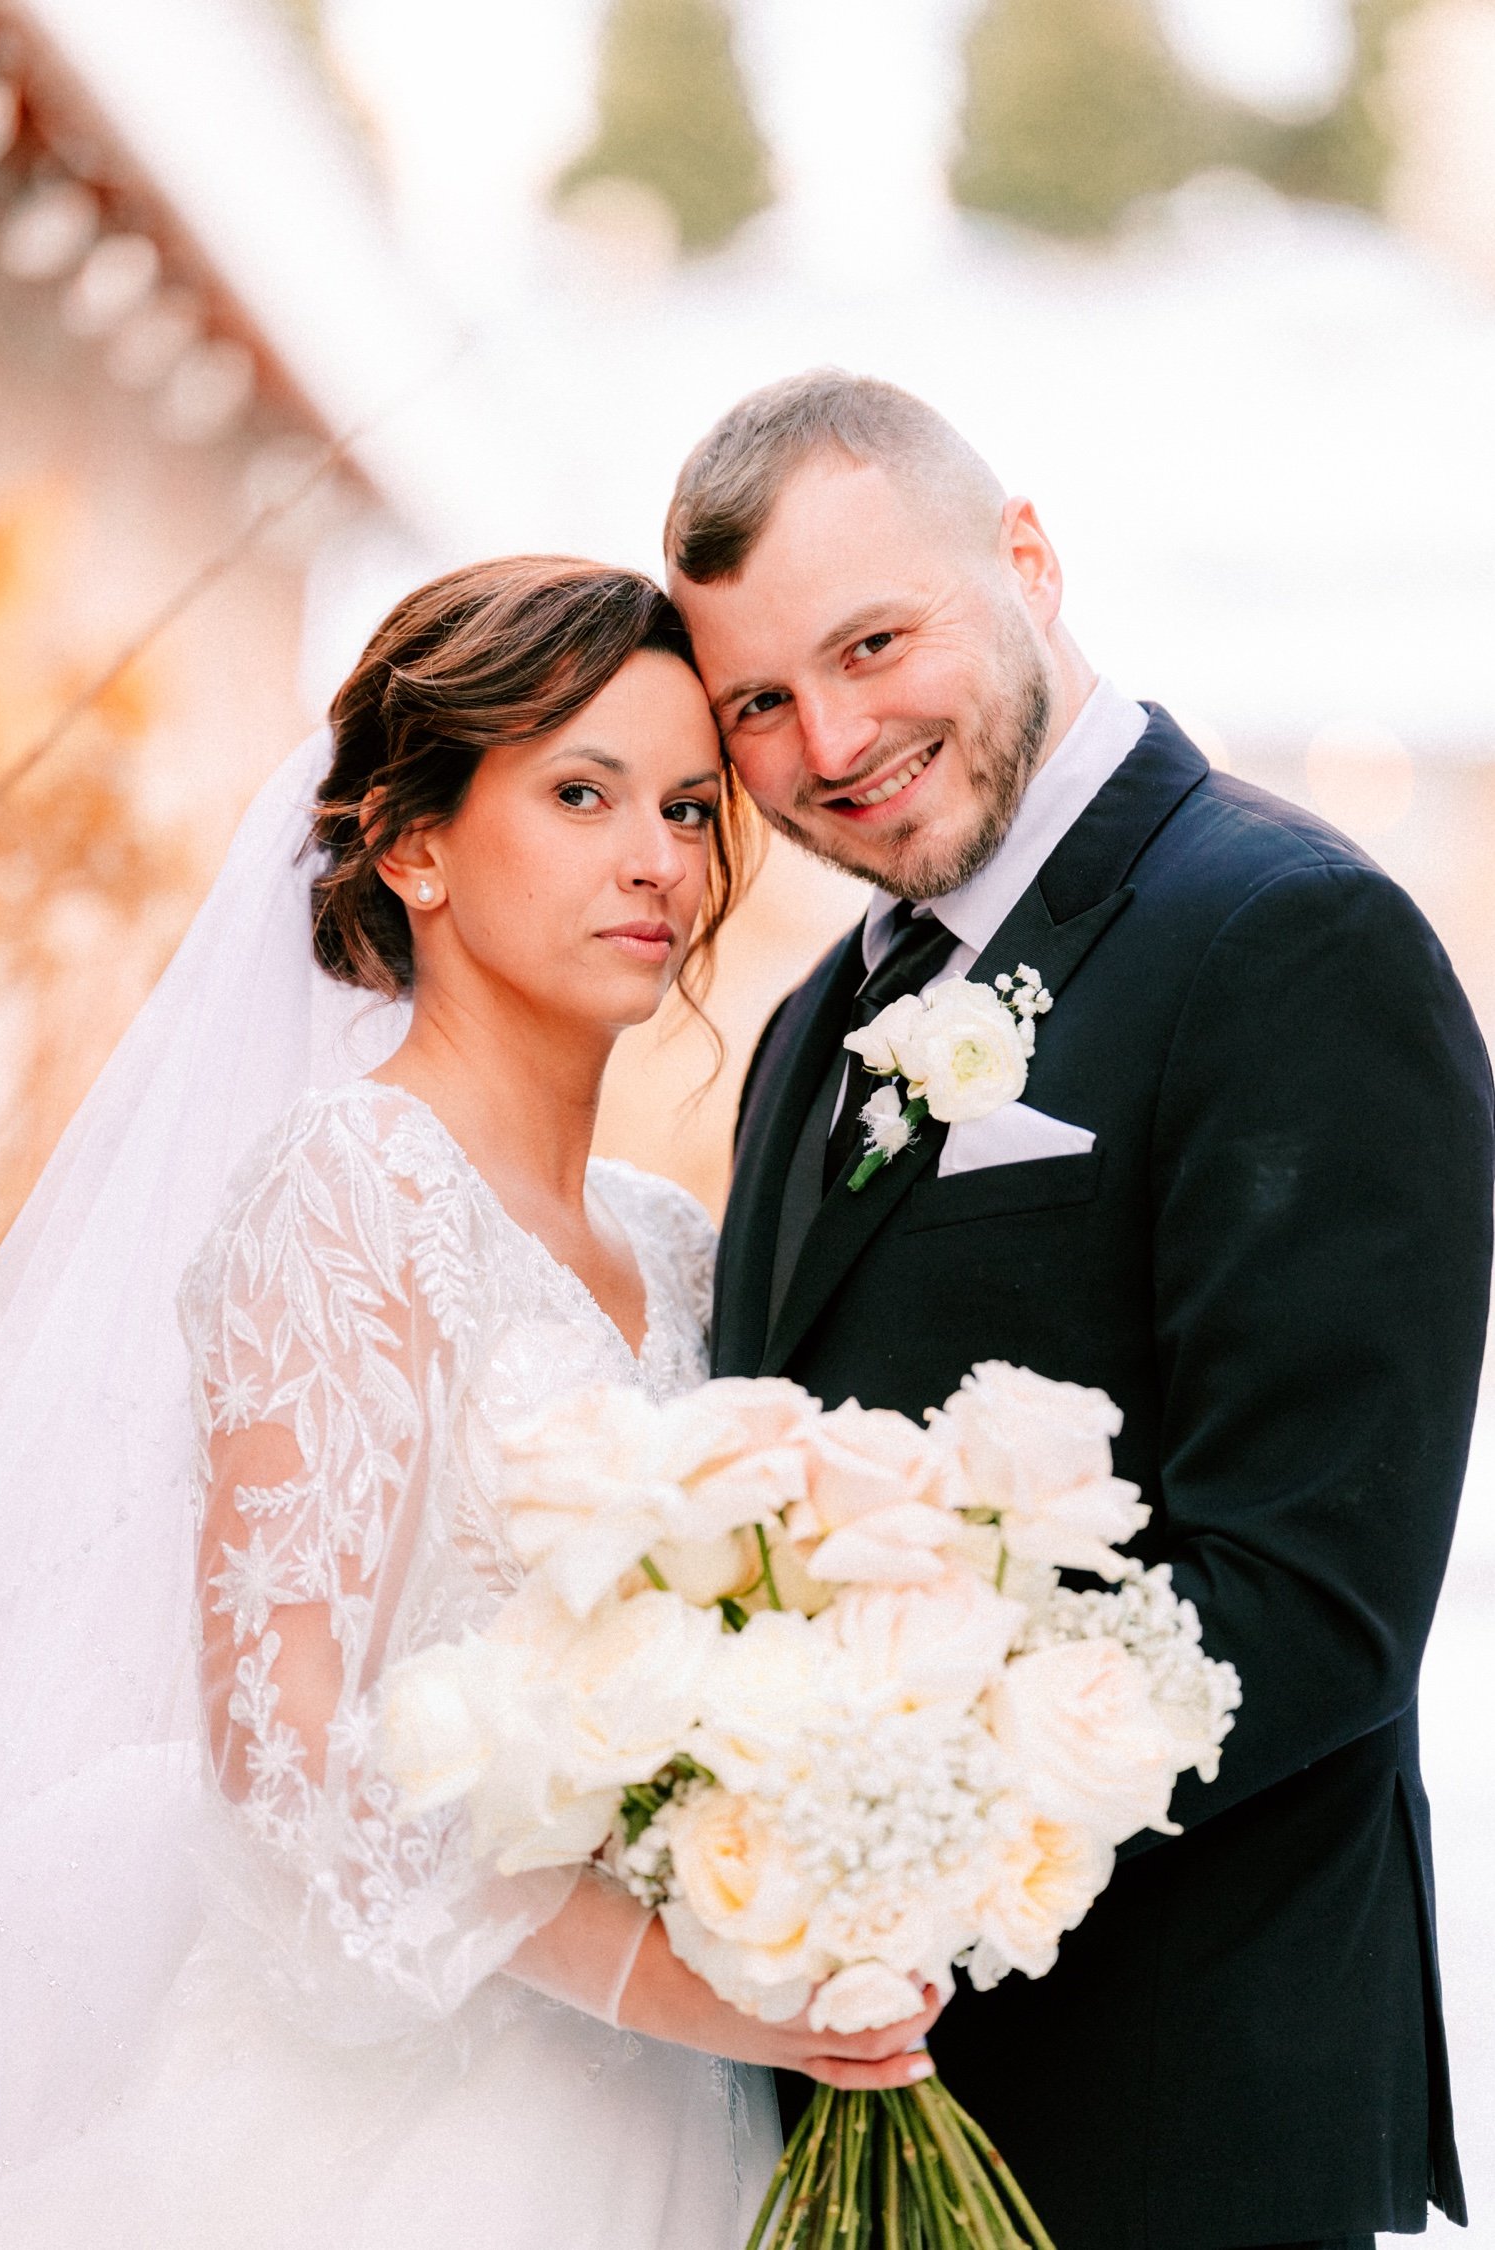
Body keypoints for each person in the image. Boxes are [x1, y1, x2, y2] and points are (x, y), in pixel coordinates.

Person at [0, 555, 942, 2248]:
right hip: (405, 2137)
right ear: (414, 846)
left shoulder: (675, 1243)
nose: (658, 859)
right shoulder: (347, 1191)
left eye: (689, 808)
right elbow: (285, 1769)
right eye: (582, 794)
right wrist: (686, 1986)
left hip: (688, 2116)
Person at [666, 370, 1495, 2250]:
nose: (832, 740)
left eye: (874, 643)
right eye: (759, 703)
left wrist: (875, 1832)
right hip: (846, 2109)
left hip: (1171, 2124)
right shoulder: (812, 1027)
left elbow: (1313, 1598)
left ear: (1027, 560)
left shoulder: (1290, 937)